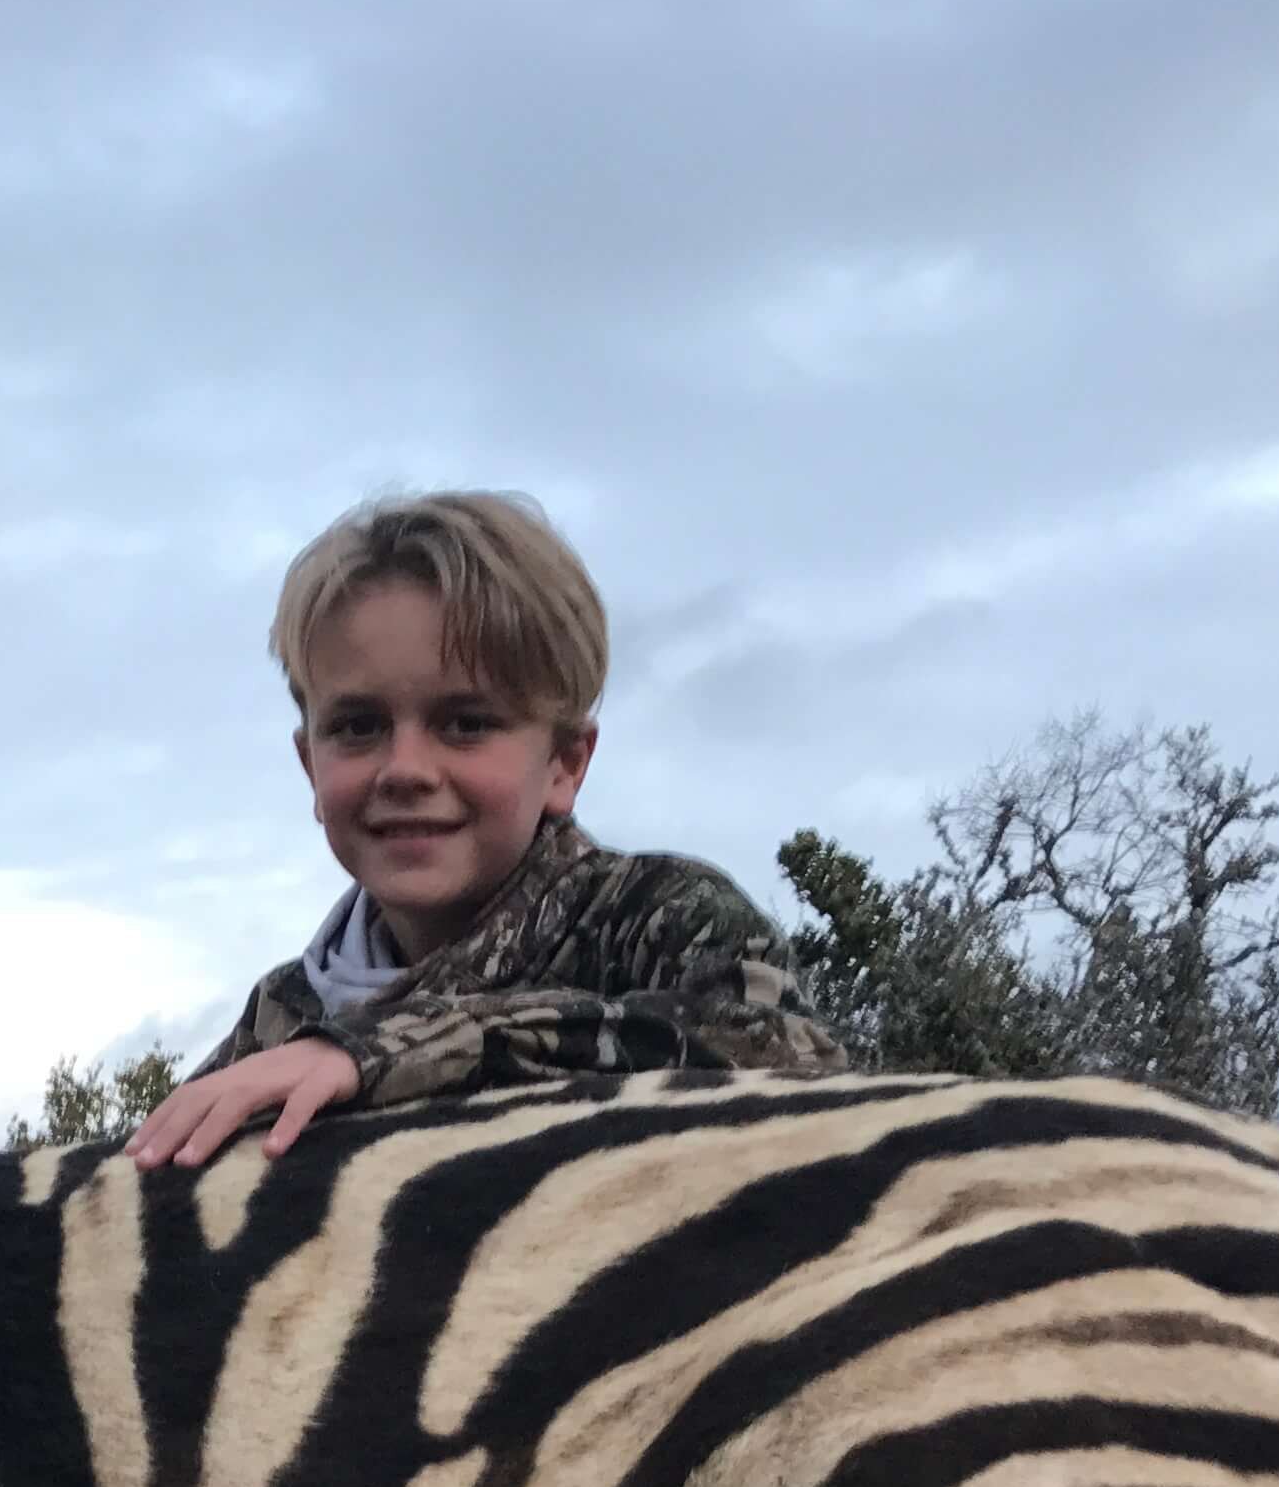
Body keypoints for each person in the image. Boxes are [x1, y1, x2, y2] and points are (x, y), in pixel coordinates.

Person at [128, 490, 838, 1171]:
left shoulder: (657, 915)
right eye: (358, 727)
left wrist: (382, 1053)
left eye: (466, 723)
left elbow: (791, 1059)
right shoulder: (278, 1021)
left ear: (565, 762)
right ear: (310, 766)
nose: (405, 769)